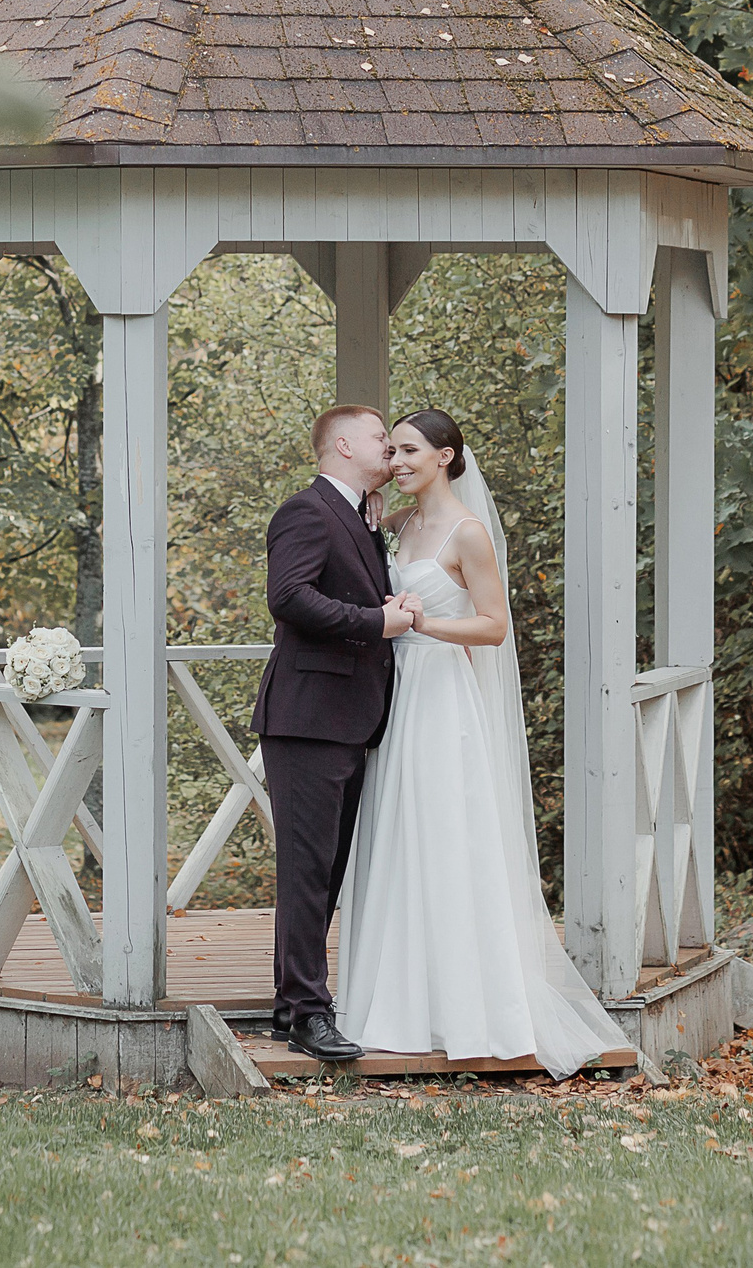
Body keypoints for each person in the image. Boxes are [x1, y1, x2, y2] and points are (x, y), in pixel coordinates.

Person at [333, 409, 624, 1078]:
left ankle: (468, 1006)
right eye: (392, 450)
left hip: (442, 700)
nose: (396, 460)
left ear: (445, 455)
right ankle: (400, 1005)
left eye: (407, 450)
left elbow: (493, 626)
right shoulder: (400, 525)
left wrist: (423, 622)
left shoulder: (469, 533)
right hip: (397, 700)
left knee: (446, 839)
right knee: (398, 840)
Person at [253, 404, 415, 1063]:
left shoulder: (360, 517)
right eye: (382, 437)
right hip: (307, 719)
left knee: (329, 870)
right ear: (344, 444)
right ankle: (307, 1013)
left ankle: (295, 1004)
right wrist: (376, 621)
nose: (390, 447)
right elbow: (288, 596)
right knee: (308, 872)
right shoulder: (306, 511)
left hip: (350, 719)